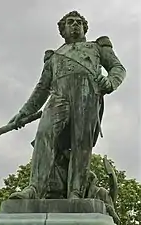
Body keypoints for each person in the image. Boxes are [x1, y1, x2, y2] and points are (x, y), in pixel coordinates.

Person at [8, 11, 126, 199]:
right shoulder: (54, 57)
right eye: (70, 22)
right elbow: (41, 89)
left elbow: (118, 68)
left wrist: (110, 82)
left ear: (84, 27)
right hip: (59, 97)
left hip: (87, 98)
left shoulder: (97, 47)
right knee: (44, 134)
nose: (75, 25)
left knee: (81, 143)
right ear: (62, 30)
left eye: (79, 22)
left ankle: (76, 193)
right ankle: (35, 189)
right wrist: (24, 112)